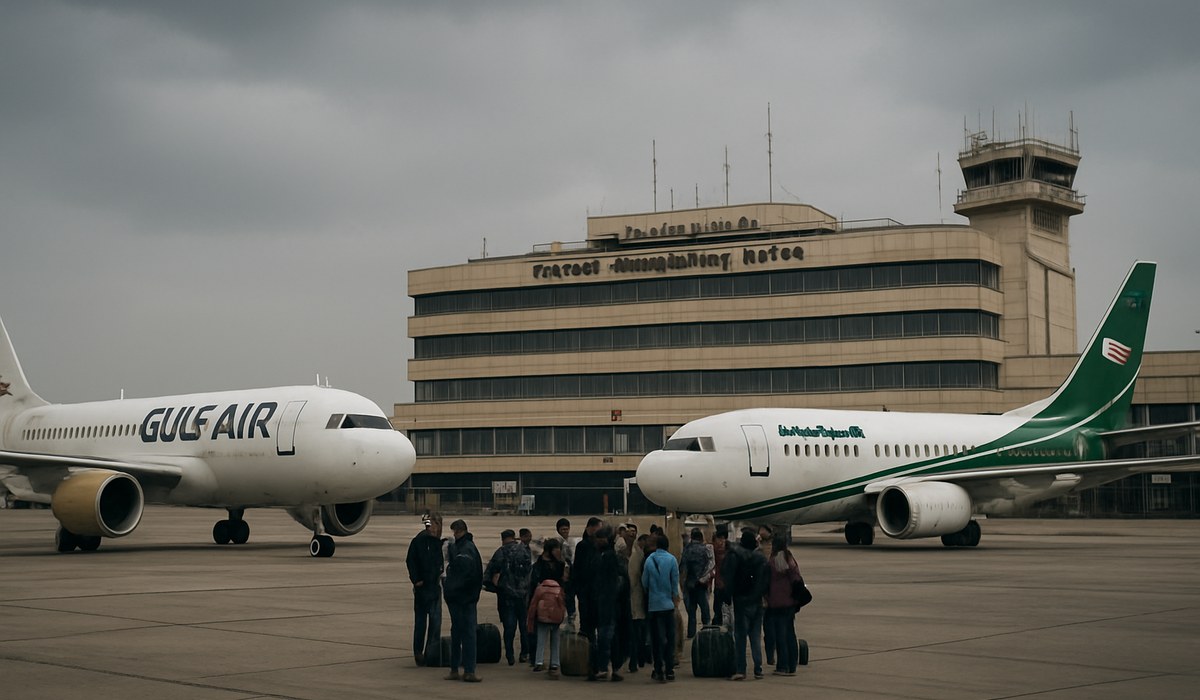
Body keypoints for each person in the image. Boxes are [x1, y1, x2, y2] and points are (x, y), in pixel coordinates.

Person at [723, 528, 768, 680]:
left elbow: (728, 577)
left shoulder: (735, 556)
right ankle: (758, 668)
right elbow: (765, 580)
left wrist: (727, 596)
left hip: (741, 601)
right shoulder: (760, 559)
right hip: (757, 601)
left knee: (741, 637)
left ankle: (741, 669)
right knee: (755, 637)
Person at [443, 519, 484, 683]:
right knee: (467, 634)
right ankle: (468, 670)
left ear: (461, 531)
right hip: (465, 598)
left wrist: (450, 588)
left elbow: (461, 574)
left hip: (460, 598)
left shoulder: (462, 549)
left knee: (460, 633)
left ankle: (459, 669)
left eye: (456, 531)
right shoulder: (465, 547)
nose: (455, 534)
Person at [586, 525, 628, 682]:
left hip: (607, 604)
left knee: (606, 637)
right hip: (605, 604)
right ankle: (614, 668)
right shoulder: (603, 555)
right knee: (610, 637)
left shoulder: (608, 556)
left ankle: (605, 668)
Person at [486, 529, 532, 666]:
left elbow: (489, 573)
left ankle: (510, 654)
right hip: (524, 595)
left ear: (503, 539)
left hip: (507, 596)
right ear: (514, 537)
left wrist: (495, 587)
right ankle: (524, 653)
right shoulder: (524, 550)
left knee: (509, 626)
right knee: (524, 626)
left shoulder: (500, 552)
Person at [405, 512, 444, 666]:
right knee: (422, 622)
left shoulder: (437, 541)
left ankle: (431, 652)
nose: (440, 528)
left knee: (435, 622)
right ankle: (419, 652)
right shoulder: (420, 541)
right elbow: (410, 560)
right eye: (438, 524)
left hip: (434, 586)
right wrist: (416, 580)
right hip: (423, 587)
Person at [641, 532, 680, 683]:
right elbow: (675, 584)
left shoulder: (650, 560)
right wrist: (673, 598)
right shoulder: (672, 560)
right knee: (670, 638)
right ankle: (670, 670)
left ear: (657, 546)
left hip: (654, 606)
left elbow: (644, 582)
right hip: (668, 605)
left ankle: (658, 669)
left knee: (657, 639)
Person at [527, 538, 568, 679]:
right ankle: (551, 662)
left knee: (546, 633)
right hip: (551, 602)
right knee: (549, 633)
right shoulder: (558, 565)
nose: (559, 551)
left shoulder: (541, 565)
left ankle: (541, 661)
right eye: (557, 549)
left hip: (546, 602)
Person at [765, 533, 803, 676]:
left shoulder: (773, 561)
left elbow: (768, 580)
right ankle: (792, 665)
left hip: (777, 602)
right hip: (790, 602)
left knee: (780, 635)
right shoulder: (790, 559)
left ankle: (782, 665)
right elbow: (796, 579)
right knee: (790, 633)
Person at [680, 528, 712, 639]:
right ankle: (707, 632)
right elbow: (710, 566)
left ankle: (691, 633)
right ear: (701, 537)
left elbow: (683, 568)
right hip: (702, 584)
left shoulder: (687, 549)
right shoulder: (705, 549)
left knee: (691, 612)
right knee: (705, 610)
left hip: (690, 584)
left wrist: (682, 584)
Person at [626, 532, 649, 673]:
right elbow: (633, 581)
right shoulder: (637, 557)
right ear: (641, 542)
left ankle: (638, 660)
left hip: (638, 601)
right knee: (636, 634)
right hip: (636, 601)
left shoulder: (639, 556)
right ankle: (634, 661)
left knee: (639, 633)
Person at [711, 525, 731, 626]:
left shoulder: (730, 551)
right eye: (719, 538)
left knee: (721, 611)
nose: (720, 542)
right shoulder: (729, 550)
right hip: (722, 585)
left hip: (724, 586)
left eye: (722, 538)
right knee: (719, 611)